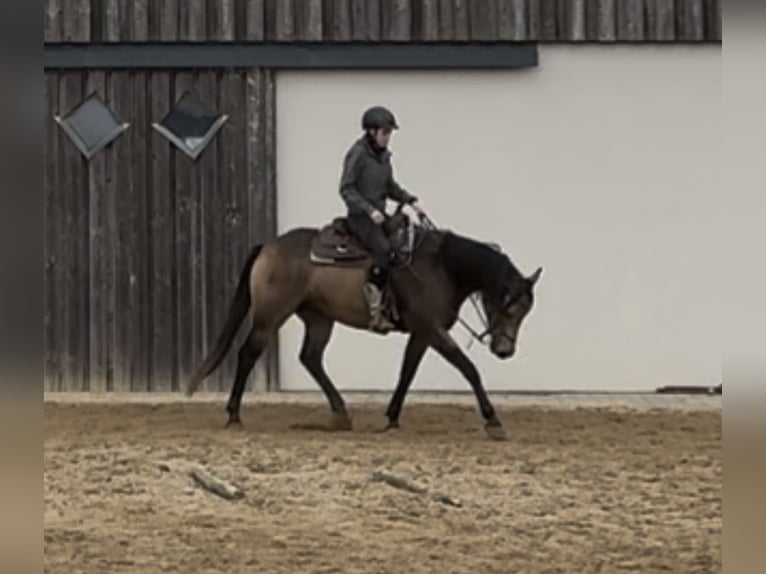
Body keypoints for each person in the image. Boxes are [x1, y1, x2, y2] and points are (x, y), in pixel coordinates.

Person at [338, 105, 425, 332]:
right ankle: (375, 313)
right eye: (385, 133)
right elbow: (346, 189)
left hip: (379, 215)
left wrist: (410, 200)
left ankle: (395, 303)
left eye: (389, 134)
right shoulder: (357, 154)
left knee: (403, 245)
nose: (388, 138)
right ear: (371, 132)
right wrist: (368, 210)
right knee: (383, 251)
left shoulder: (383, 157)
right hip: (361, 218)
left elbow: (390, 187)